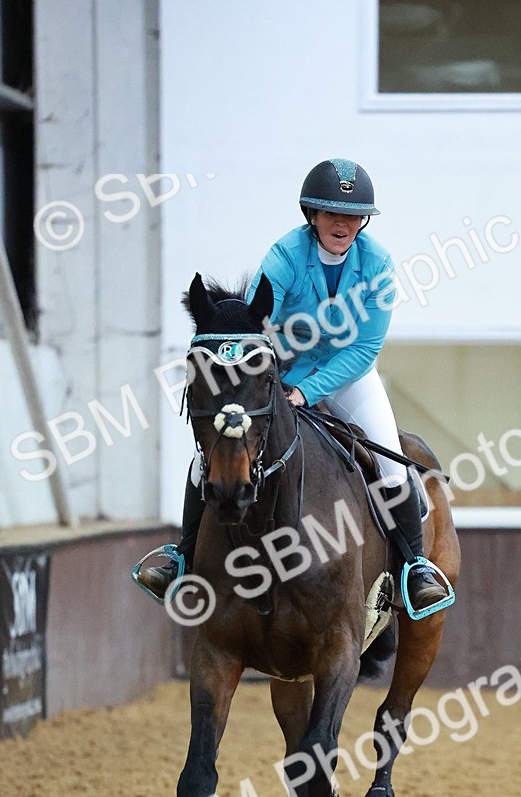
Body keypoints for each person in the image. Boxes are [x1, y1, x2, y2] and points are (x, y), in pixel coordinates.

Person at [136, 158, 449, 613]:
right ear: (312, 215)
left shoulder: (378, 264)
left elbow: (364, 349)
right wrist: (274, 381)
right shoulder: (284, 256)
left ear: (362, 221)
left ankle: (414, 568)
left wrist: (308, 392)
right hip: (286, 369)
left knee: (393, 466)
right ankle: (180, 558)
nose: (341, 224)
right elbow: (257, 323)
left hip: (349, 376)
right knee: (213, 454)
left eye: (352, 216)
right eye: (331, 213)